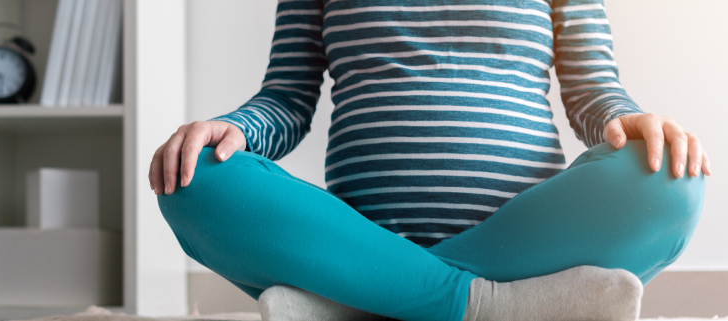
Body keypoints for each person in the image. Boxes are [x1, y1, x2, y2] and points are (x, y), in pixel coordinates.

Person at [149, 1, 709, 320]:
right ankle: (495, 305)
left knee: (671, 180)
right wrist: (236, 129)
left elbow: (593, 91)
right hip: (362, 236)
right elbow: (287, 97)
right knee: (193, 176)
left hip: (523, 241)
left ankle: (368, 304)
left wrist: (635, 122)